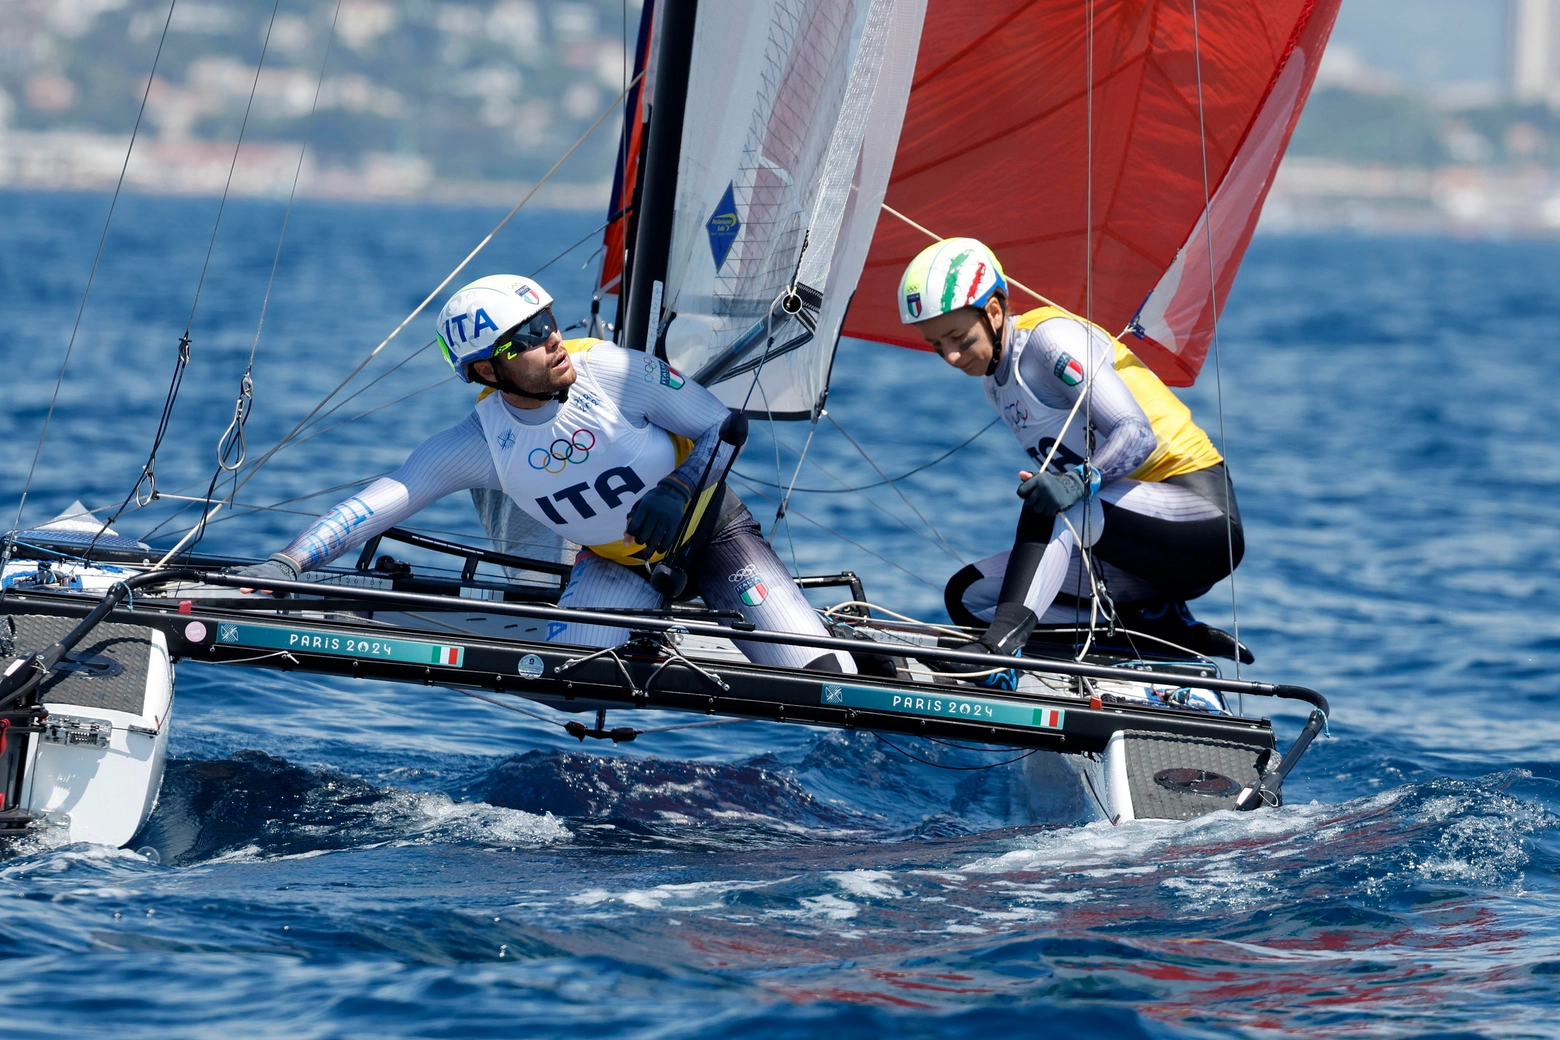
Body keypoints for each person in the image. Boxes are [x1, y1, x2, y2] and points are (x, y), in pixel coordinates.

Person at [239, 274, 854, 674]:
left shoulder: (616, 369)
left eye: (548, 321)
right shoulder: (481, 443)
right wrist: (290, 563)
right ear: (486, 373)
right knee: (572, 679)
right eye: (526, 338)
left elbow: (724, 426)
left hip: (717, 537)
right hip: (621, 563)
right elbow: (384, 501)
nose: (553, 339)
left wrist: (677, 486)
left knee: (831, 680)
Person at [897, 238, 1249, 675]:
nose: (950, 355)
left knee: (1060, 502)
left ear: (992, 312)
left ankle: (999, 652)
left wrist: (1075, 482)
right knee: (970, 597)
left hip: (1202, 525)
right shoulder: (996, 383)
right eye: (936, 345)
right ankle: (1154, 628)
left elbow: (1136, 434)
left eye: (959, 337)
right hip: (1129, 554)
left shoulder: (1051, 341)